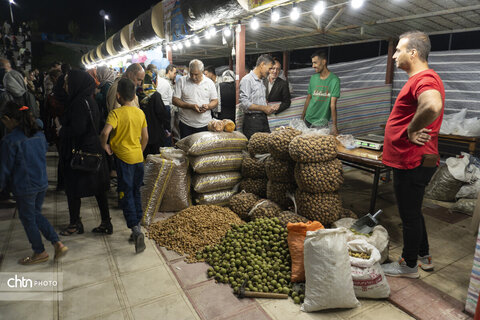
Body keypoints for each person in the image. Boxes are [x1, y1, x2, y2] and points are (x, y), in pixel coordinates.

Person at [381, 31, 445, 278]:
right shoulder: (419, 78)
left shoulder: (425, 78)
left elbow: (432, 105)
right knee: (414, 211)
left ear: (413, 53)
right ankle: (423, 256)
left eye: (398, 50)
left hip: (412, 160)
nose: (395, 55)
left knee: (408, 215)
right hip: (413, 160)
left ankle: (408, 266)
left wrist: (411, 129)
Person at [0, 101, 68, 264]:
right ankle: (57, 243)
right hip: (41, 182)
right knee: (35, 214)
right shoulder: (39, 134)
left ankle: (40, 251)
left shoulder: (10, 141)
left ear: (8, 118)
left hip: (24, 186)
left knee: (28, 218)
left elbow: (4, 168)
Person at [59, 70, 112, 236]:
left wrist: (61, 130)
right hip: (94, 149)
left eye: (68, 82)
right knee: (98, 189)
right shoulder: (89, 100)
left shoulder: (78, 103)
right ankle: (106, 222)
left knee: (73, 188)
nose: (65, 86)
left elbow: (78, 128)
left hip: (81, 151)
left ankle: (75, 224)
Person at [100, 78, 149, 253]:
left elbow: (105, 132)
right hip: (138, 159)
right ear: (134, 95)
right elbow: (145, 138)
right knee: (136, 192)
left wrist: (105, 145)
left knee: (125, 193)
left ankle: (135, 229)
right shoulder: (140, 113)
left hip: (123, 161)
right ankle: (138, 225)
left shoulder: (115, 113)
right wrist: (139, 151)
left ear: (118, 96)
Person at [172, 59, 218, 139]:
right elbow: (175, 100)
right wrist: (190, 106)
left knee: (203, 148)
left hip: (205, 124)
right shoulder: (182, 81)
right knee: (186, 148)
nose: (193, 77)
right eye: (191, 74)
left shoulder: (209, 83)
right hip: (186, 124)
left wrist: (208, 106)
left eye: (196, 74)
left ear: (202, 71)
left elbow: (215, 101)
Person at [239, 54, 279, 139]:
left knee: (266, 146)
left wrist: (268, 108)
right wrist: (263, 108)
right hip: (252, 122)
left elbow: (258, 101)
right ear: (262, 65)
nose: (270, 71)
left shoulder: (261, 81)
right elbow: (244, 103)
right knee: (254, 149)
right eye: (270, 68)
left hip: (262, 119)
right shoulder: (247, 80)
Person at [301, 50, 340, 135]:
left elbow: (333, 105)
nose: (313, 66)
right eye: (312, 63)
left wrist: (334, 126)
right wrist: (302, 117)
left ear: (323, 62)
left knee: (318, 146)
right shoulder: (313, 78)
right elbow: (308, 98)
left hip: (322, 124)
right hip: (308, 119)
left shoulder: (334, 80)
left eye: (315, 63)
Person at [156, 64, 176, 145]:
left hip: (158, 107)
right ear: (169, 71)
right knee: (167, 129)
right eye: (174, 73)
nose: (175, 75)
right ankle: (167, 148)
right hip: (166, 107)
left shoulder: (158, 82)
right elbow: (172, 98)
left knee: (160, 128)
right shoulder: (166, 82)